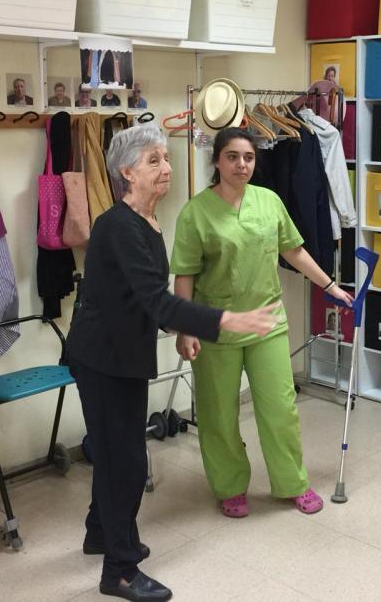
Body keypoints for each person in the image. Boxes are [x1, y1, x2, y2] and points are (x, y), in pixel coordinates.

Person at [67, 124, 279, 602]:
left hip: (121, 355)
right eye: (154, 161)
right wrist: (226, 320)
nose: (166, 168)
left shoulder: (147, 219)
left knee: (116, 452)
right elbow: (157, 300)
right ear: (127, 173)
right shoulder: (119, 226)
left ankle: (101, 533)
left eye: (165, 158)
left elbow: (148, 301)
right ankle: (119, 571)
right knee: (124, 461)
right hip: (102, 359)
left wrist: (181, 329)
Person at [171, 128, 353, 520]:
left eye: (249, 157)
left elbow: (294, 250)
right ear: (217, 161)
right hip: (216, 327)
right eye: (232, 157)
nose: (242, 165)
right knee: (219, 414)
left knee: (280, 408)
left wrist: (331, 286)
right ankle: (230, 487)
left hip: (266, 322)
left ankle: (292, 483)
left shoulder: (269, 201)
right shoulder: (195, 213)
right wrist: (186, 328)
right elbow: (184, 274)